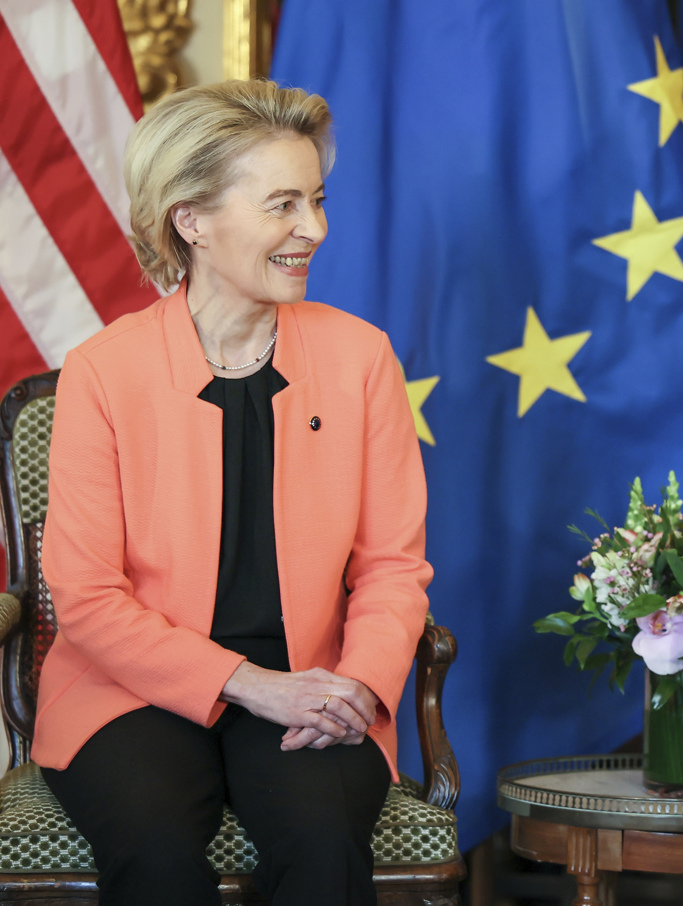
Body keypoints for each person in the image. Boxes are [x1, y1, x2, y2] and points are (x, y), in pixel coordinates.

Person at [35, 80, 433, 905]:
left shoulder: (362, 359)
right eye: (282, 204)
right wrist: (248, 684)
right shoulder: (103, 372)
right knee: (153, 850)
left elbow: (394, 567)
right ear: (193, 220)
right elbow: (85, 598)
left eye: (317, 200)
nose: (314, 230)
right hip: (128, 691)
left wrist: (356, 684)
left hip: (315, 679)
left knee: (322, 844)